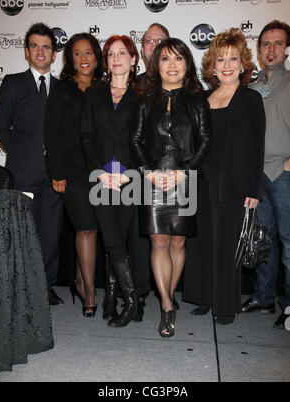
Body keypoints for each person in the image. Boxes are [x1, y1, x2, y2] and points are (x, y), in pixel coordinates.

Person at [131, 38, 211, 337]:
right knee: (158, 243)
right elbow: (135, 141)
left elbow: (205, 141)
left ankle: (169, 293)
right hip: (152, 181)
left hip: (185, 181)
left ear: (187, 64)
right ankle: (166, 304)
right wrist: (148, 173)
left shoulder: (197, 100)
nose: (172, 65)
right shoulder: (144, 99)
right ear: (157, 65)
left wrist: (185, 172)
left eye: (179, 59)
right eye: (166, 59)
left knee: (178, 243)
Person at [184, 28, 266, 325]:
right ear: (213, 66)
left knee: (228, 244)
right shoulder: (203, 98)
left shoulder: (251, 99)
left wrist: (254, 189)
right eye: (221, 59)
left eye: (233, 58)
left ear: (243, 63)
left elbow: (258, 147)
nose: (227, 64)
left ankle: (227, 304)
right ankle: (205, 297)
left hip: (234, 184)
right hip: (204, 181)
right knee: (203, 241)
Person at [0, 23, 64, 306]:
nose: (40, 51)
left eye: (46, 46)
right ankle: (21, 288)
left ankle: (44, 287)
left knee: (50, 232)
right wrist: (21, 152)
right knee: (22, 232)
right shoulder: (13, 82)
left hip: (56, 174)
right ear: (26, 51)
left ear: (54, 53)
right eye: (34, 46)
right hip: (23, 172)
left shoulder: (62, 88)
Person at [80, 35, 140, 328]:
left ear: (133, 58)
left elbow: (145, 140)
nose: (116, 58)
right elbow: (86, 136)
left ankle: (111, 295)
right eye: (111, 54)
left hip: (130, 178)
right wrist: (101, 171)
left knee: (119, 238)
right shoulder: (94, 94)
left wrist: (129, 173)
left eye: (122, 53)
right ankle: (131, 300)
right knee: (111, 239)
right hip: (101, 176)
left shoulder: (142, 94)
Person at [44, 33, 104, 317]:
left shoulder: (105, 88)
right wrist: (56, 171)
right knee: (85, 226)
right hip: (71, 170)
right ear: (70, 58)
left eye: (89, 52)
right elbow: (51, 133)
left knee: (95, 227)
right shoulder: (62, 90)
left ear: (97, 57)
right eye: (77, 53)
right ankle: (90, 291)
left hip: (101, 170)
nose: (83, 59)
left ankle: (81, 280)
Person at [242, 20, 290, 329]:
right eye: (265, 44)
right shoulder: (251, 84)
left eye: (277, 43)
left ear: (286, 48)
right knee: (263, 240)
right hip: (255, 174)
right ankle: (263, 296)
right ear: (258, 49)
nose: (271, 49)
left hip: (285, 173)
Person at [129, 23, 170, 320]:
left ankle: (167, 295)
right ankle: (140, 293)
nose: (153, 45)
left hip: (171, 176)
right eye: (148, 40)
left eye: (160, 40)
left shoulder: (180, 83)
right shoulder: (131, 85)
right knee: (138, 237)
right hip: (135, 173)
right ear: (142, 48)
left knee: (169, 238)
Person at [138, 23, 170, 87]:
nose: (154, 43)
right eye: (149, 40)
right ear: (142, 50)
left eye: (160, 40)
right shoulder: (134, 85)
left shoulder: (183, 83)